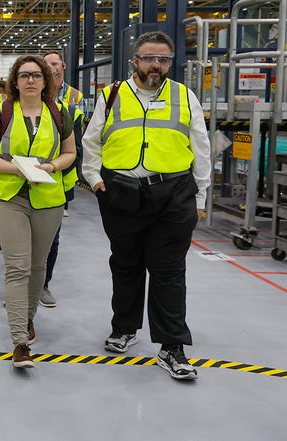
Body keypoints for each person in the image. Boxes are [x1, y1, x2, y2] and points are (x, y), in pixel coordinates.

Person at [82, 31, 211, 381]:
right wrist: (94, 180)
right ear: (135, 61)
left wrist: (200, 198)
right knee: (125, 264)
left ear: (171, 62)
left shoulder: (185, 96)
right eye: (150, 58)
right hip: (121, 193)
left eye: (164, 59)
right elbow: (91, 141)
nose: (157, 65)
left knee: (168, 270)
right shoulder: (110, 96)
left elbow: (201, 147)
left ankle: (172, 346)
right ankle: (124, 328)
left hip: (174, 194)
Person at [0, 55, 77, 368]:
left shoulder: (60, 112)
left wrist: (50, 165)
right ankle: (20, 340)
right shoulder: (2, 111)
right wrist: (14, 169)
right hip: (10, 197)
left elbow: (70, 153)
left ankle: (29, 316)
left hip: (48, 199)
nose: (31, 80)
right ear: (15, 81)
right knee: (17, 266)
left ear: (46, 80)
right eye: (24, 75)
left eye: (36, 75)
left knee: (38, 267)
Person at [38, 50, 86, 308]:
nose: (51, 68)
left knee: (50, 239)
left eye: (54, 64)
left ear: (62, 67)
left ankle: (43, 284)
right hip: (23, 182)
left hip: (57, 182)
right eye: (45, 65)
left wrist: (57, 171)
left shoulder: (73, 101)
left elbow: (76, 146)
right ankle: (21, 287)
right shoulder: (25, 100)